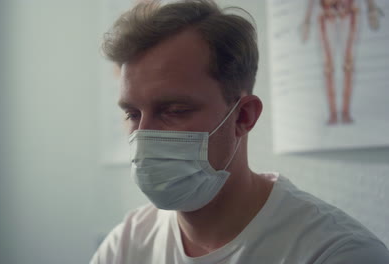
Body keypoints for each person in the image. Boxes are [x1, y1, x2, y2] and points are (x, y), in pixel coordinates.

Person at [91, 1, 389, 263]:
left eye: (174, 110)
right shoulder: (127, 243)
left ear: (243, 116)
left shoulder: (335, 252)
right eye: (132, 114)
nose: (143, 136)